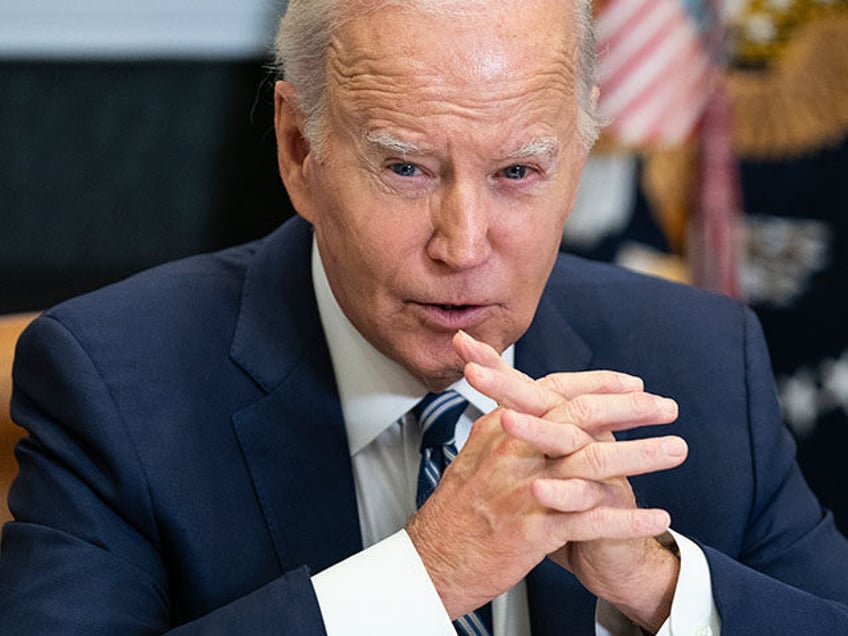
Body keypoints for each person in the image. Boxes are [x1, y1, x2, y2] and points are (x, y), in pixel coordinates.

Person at [2, 0, 848, 633]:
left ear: (583, 152)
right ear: (301, 152)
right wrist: (425, 574)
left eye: (519, 170)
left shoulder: (698, 358)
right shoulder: (112, 379)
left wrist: (660, 589)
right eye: (406, 168)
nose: (464, 245)